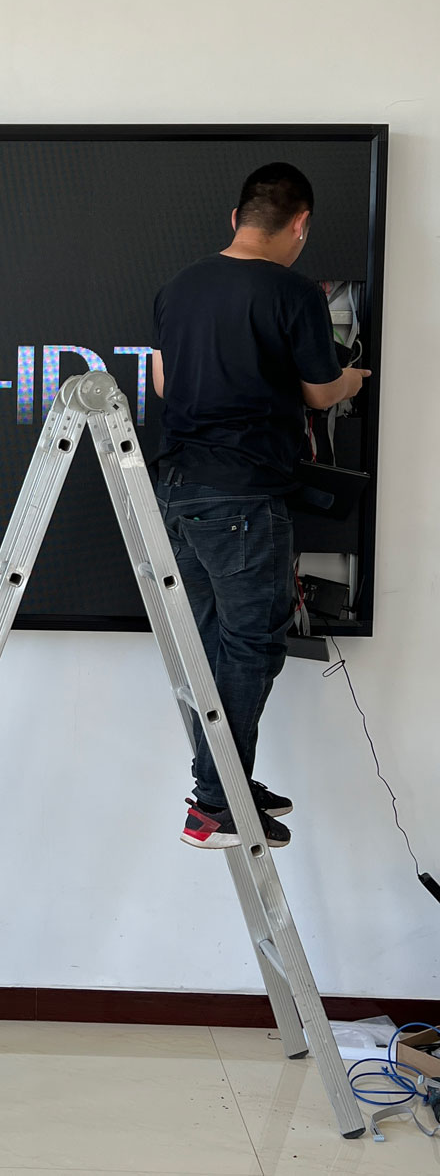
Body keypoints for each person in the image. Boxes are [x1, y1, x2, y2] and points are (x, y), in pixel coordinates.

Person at [151, 163, 371, 850]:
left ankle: (222, 783)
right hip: (243, 496)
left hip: (177, 492)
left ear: (236, 218)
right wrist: (351, 380)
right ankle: (216, 802)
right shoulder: (291, 291)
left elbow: (163, 382)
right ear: (300, 224)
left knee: (213, 645)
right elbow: (319, 392)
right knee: (251, 646)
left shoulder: (179, 287)